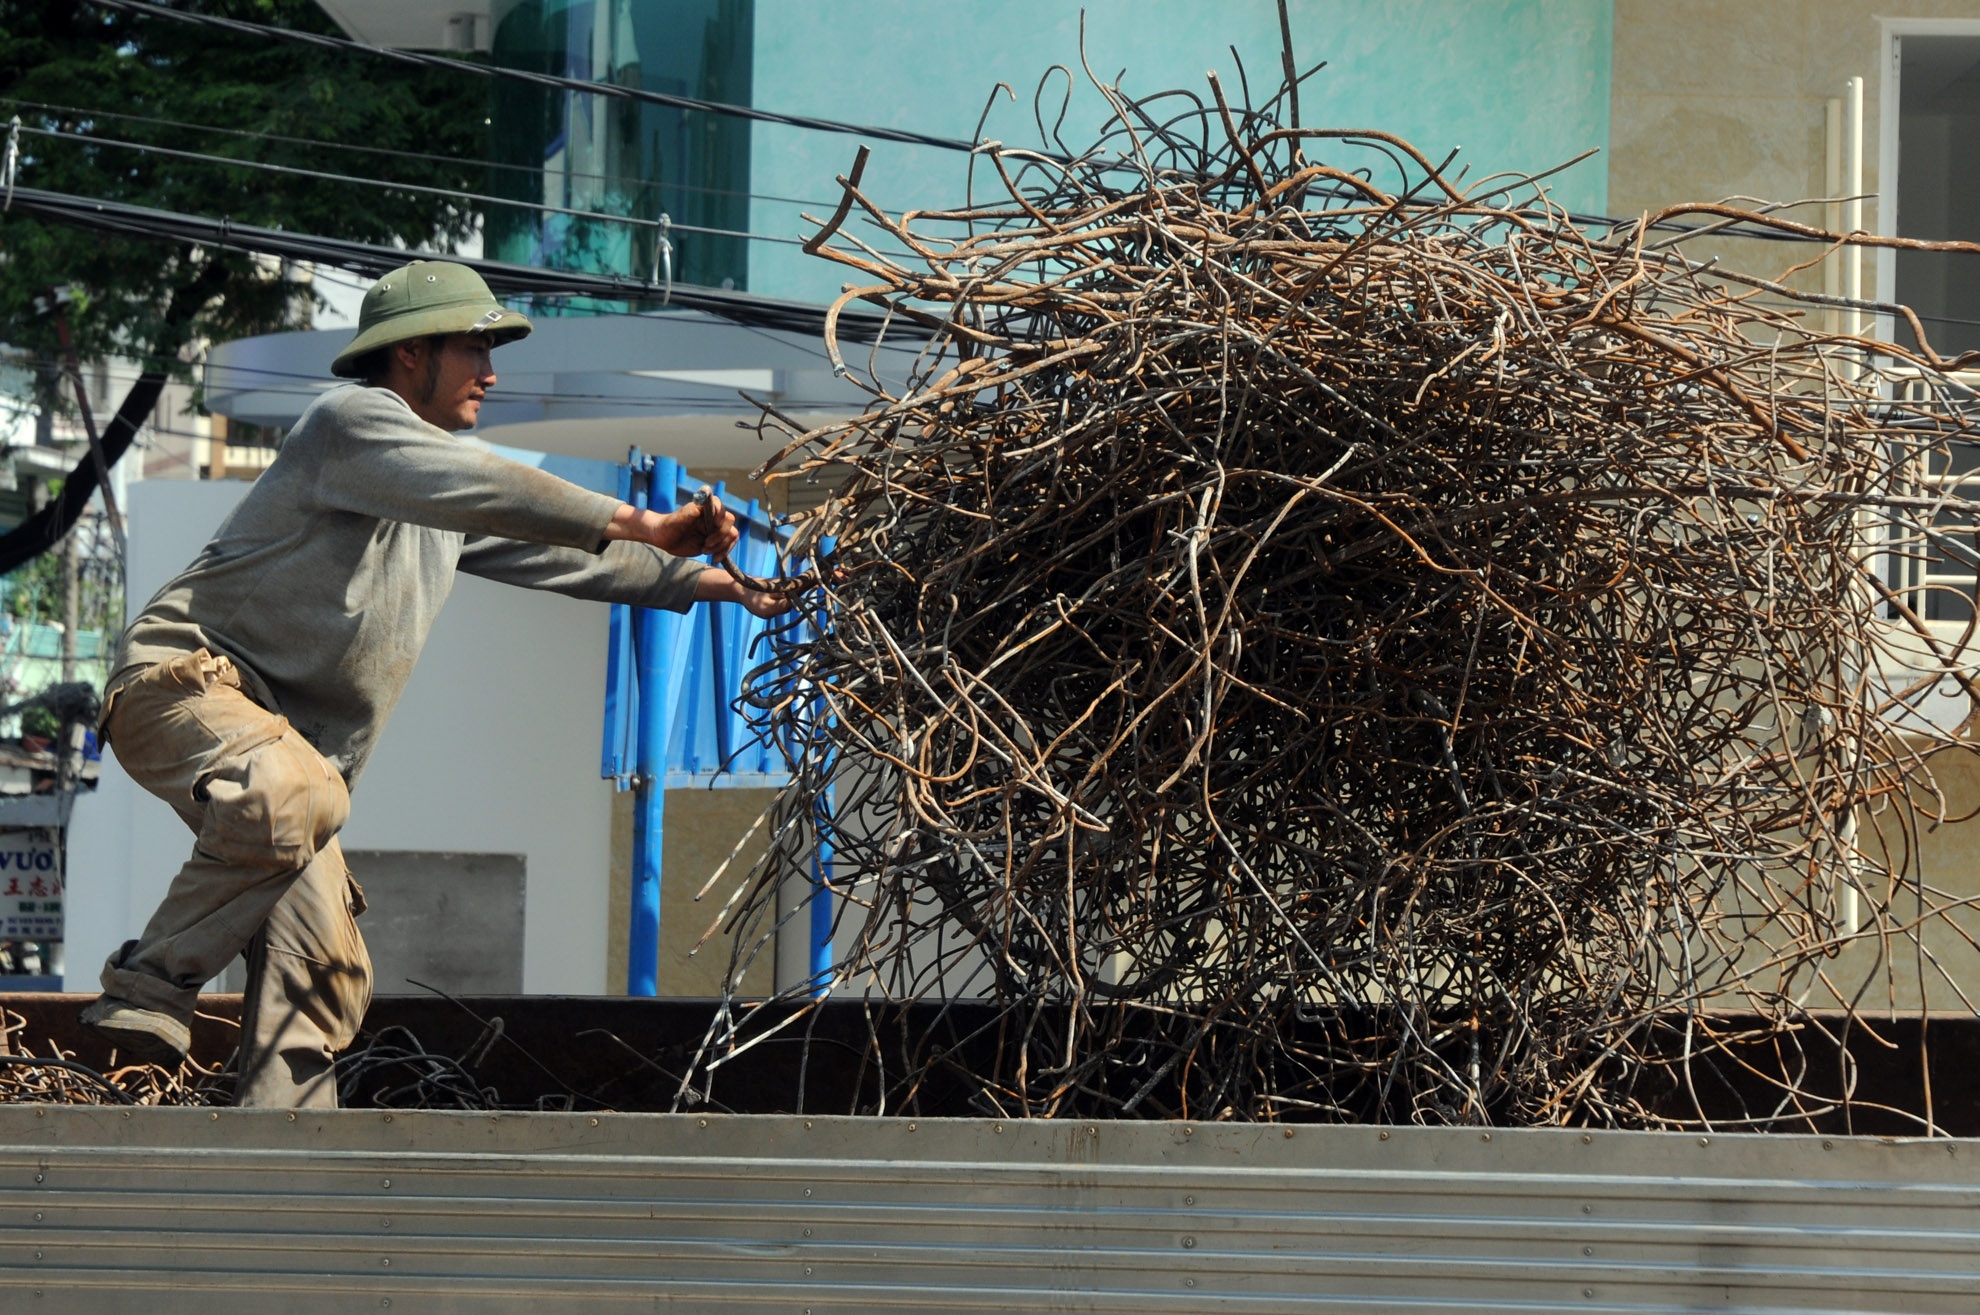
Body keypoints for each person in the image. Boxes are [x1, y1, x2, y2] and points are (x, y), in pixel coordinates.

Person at [77, 260, 789, 1106]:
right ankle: (149, 985)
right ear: (412, 355)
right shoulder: (348, 421)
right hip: (178, 688)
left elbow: (564, 556)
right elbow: (497, 484)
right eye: (474, 348)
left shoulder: (437, 504)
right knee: (294, 791)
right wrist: (646, 519)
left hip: (292, 766)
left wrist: (733, 586)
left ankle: (277, 1178)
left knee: (323, 973)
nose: (491, 371)